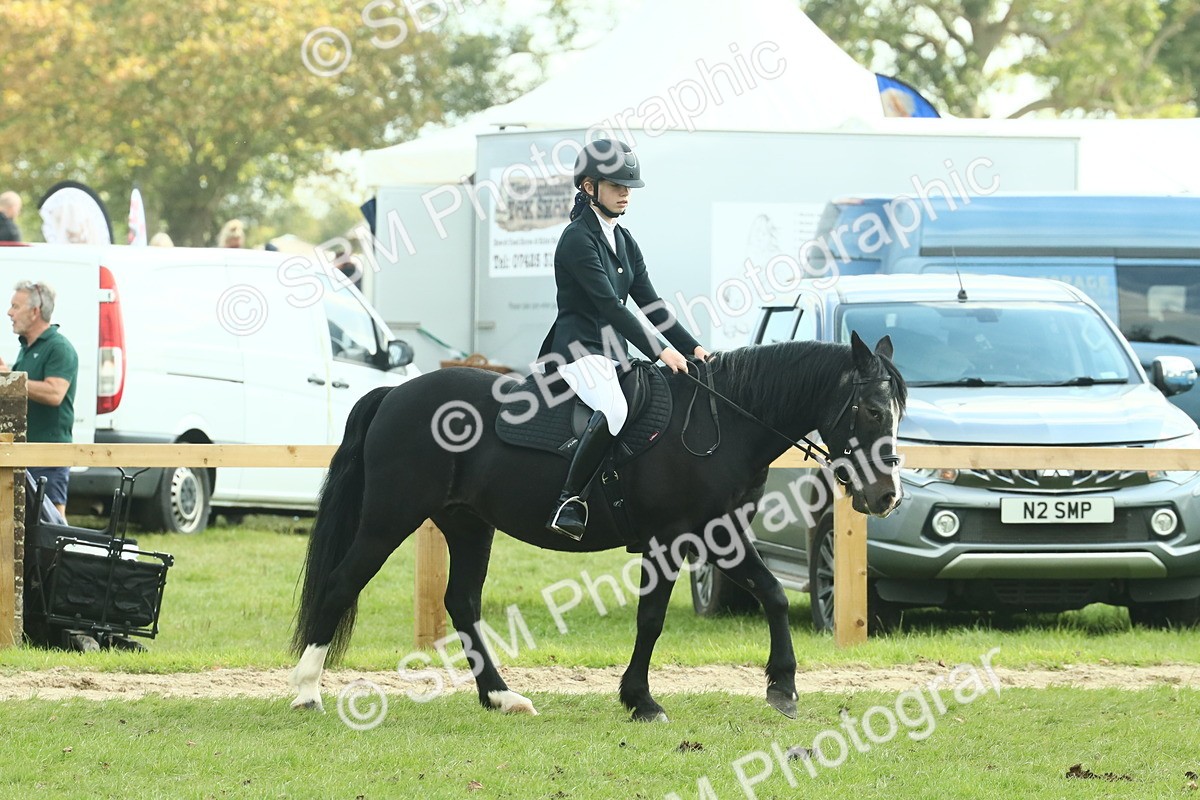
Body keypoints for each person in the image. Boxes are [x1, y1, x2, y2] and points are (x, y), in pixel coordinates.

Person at [538, 138, 710, 540]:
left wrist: (693, 347)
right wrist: (661, 351)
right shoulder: (577, 239)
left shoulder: (624, 240)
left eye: (628, 187)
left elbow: (651, 303)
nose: (625, 194)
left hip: (614, 352)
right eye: (616, 186)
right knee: (614, 409)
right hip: (578, 350)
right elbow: (612, 308)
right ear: (588, 187)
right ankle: (569, 500)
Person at [0, 281, 79, 519]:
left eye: (15, 306)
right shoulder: (26, 348)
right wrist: (7, 375)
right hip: (24, 453)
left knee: (51, 527)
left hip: (48, 454)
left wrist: (10, 379)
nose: (9, 313)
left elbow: (55, 393)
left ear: (35, 312)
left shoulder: (59, 348)